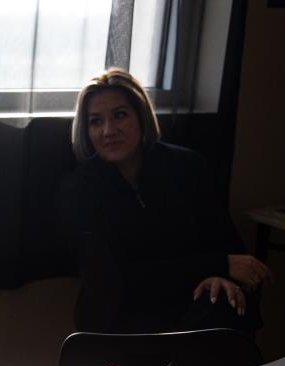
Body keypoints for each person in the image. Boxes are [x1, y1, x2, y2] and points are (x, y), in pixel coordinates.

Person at [58, 68, 273, 333]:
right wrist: (217, 265)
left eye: (120, 115)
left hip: (195, 302)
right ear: (86, 131)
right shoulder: (79, 190)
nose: (108, 130)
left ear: (141, 116)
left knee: (223, 304)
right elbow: (121, 278)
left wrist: (219, 276)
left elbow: (232, 251)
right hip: (122, 313)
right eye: (95, 121)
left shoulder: (188, 166)